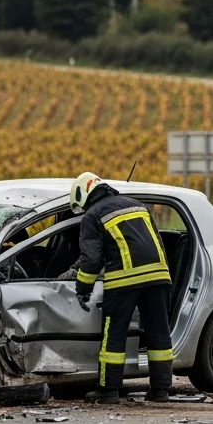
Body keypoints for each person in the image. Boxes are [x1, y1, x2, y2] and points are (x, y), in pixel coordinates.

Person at [71, 171, 173, 405]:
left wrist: (82, 287)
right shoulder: (138, 206)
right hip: (158, 275)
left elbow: (91, 260)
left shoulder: (93, 215)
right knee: (159, 333)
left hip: (124, 280)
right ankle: (161, 390)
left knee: (114, 334)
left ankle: (108, 391)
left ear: (83, 195)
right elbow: (158, 243)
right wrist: (167, 282)